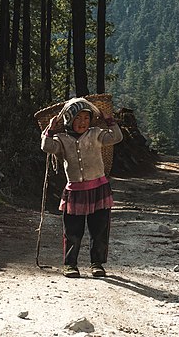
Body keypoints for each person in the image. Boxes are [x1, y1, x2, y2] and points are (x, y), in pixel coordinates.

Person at [41, 97, 123, 278]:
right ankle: (70, 265)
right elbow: (46, 147)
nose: (82, 123)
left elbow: (116, 137)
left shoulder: (96, 134)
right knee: (72, 231)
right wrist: (50, 129)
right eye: (77, 118)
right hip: (75, 192)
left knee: (99, 230)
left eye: (86, 118)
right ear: (69, 119)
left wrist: (109, 120)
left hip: (98, 189)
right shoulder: (61, 139)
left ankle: (97, 264)